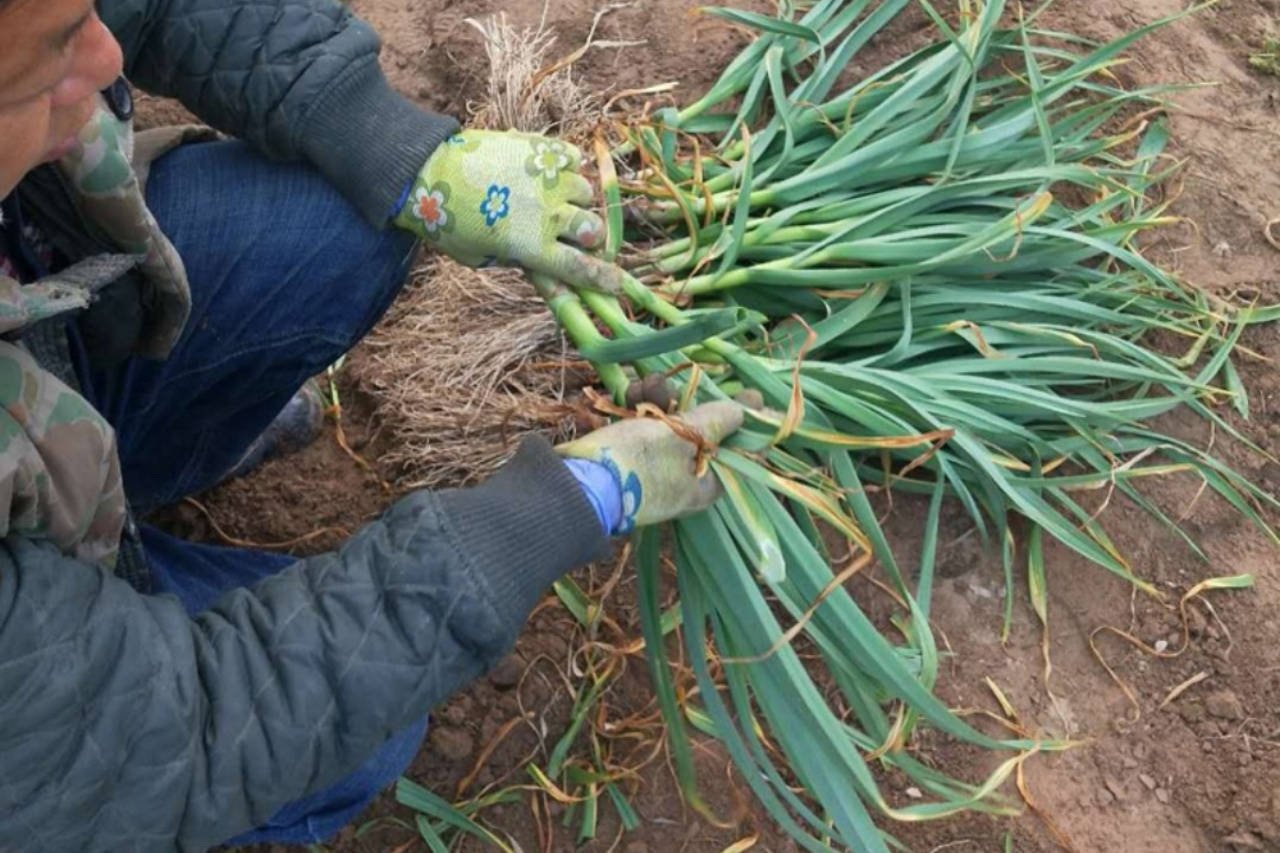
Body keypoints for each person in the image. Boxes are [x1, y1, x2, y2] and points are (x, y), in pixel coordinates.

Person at [0, 0, 743, 848]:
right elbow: (188, 735)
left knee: (339, 217)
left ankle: (131, 472)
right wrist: (566, 504)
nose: (105, 56)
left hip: (38, 332)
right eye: (50, 62)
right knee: (356, 740)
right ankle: (81, 572)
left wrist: (401, 153)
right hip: (39, 736)